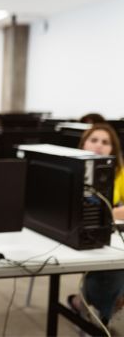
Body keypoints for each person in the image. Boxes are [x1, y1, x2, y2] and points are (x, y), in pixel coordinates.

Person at [68, 123, 124, 332]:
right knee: (117, 263)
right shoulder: (69, 170)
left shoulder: (118, 172)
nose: (99, 146)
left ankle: (88, 306)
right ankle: (103, 311)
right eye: (94, 140)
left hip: (109, 236)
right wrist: (113, 211)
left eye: (105, 142)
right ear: (82, 144)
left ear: (113, 149)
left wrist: (107, 212)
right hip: (78, 237)